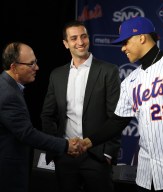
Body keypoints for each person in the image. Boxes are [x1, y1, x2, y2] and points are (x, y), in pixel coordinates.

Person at [82, 16, 163, 191]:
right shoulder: (130, 80)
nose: (123, 48)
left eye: (125, 42)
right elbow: (118, 121)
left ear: (141, 37)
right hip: (146, 172)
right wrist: (87, 142)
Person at [40, 20, 121, 192]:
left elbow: (116, 117)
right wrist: (57, 147)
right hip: (65, 156)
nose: (80, 42)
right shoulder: (57, 75)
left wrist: (107, 154)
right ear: (65, 44)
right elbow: (47, 115)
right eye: (74, 38)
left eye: (84, 36)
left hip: (97, 157)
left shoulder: (109, 70)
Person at [0, 42, 81, 192]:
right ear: (14, 67)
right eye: (31, 64)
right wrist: (65, 145)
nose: (36, 68)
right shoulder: (8, 94)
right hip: (8, 174)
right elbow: (27, 134)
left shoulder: (8, 86)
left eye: (35, 62)